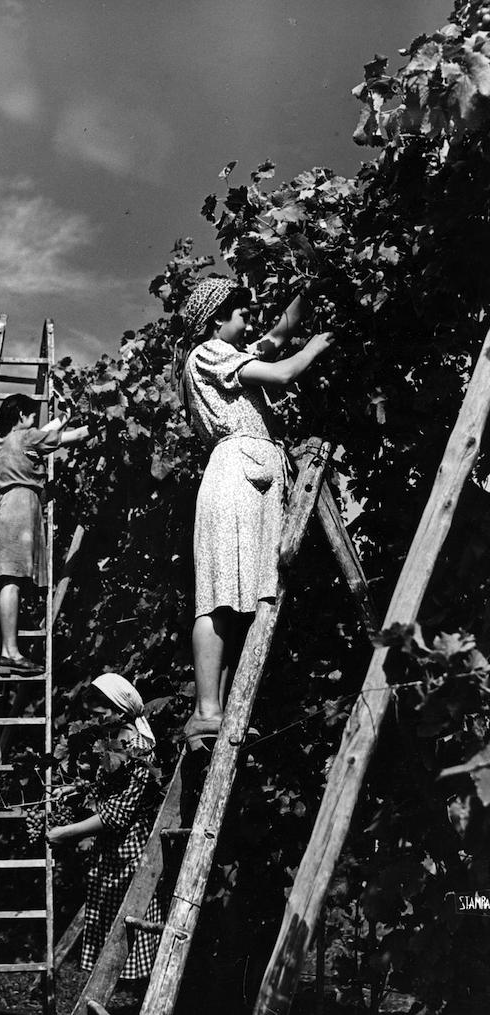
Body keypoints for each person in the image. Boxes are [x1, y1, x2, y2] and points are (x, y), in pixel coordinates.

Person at [181, 277, 334, 749]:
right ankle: (206, 710)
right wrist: (321, 345)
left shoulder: (229, 351)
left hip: (253, 480)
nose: (249, 324)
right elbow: (284, 370)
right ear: (214, 322)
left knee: (239, 596)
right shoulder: (208, 352)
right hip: (235, 477)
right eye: (240, 315)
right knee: (220, 594)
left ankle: (217, 711)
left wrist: (312, 287)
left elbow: (275, 337)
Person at [46, 672, 162, 982]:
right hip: (111, 853)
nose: (95, 712)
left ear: (122, 710)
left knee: (125, 933)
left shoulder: (139, 748)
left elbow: (117, 815)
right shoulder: (113, 743)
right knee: (109, 940)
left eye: (102, 706)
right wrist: (76, 789)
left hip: (129, 856)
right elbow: (108, 784)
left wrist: (65, 834)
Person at [0, 394, 88, 678]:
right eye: (32, 415)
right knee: (13, 582)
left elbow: (40, 436)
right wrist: (96, 423)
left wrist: (64, 416)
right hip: (20, 511)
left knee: (3, 584)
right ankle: (11, 652)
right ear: (22, 415)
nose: (35, 420)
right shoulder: (26, 438)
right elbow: (69, 437)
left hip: (1, 513)